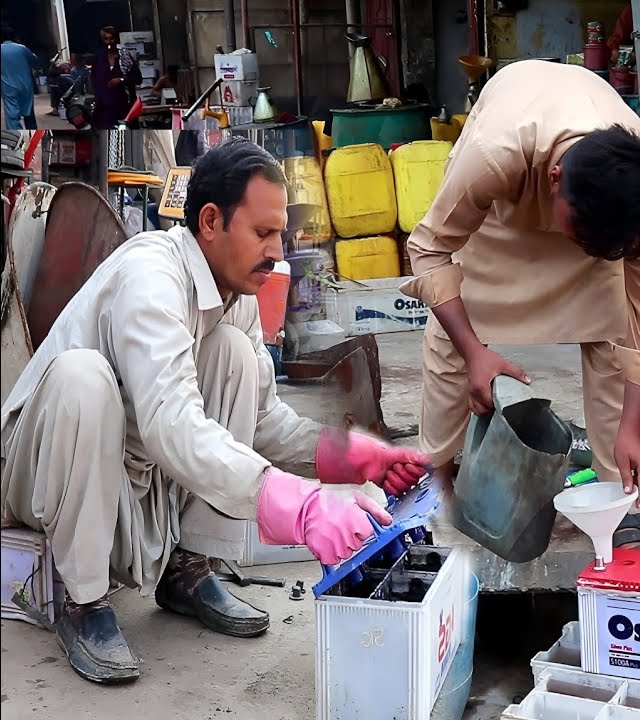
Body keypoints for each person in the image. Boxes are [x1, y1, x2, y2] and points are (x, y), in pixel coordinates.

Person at [0, 138, 431, 685]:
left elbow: (265, 421)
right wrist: (296, 507)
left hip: (129, 475)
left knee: (234, 356)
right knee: (83, 377)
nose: (277, 250)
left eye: (279, 233)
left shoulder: (239, 296)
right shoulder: (152, 277)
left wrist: (348, 455)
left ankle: (187, 567)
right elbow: (170, 423)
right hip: (40, 470)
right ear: (209, 221)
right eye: (262, 232)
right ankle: (83, 602)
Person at [400, 59, 640, 550]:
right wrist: (474, 352)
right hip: (497, 224)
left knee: (613, 326)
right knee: (448, 339)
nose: (592, 250)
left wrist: (633, 428)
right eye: (584, 236)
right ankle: (436, 485)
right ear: (554, 179)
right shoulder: (491, 154)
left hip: (593, 206)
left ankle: (615, 500)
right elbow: (428, 249)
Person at [90, 25, 141, 129]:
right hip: (104, 110)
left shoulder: (124, 56)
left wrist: (121, 80)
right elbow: (94, 81)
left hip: (125, 107)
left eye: (111, 38)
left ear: (116, 39)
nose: (109, 42)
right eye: (106, 39)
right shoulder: (98, 58)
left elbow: (138, 78)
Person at [1, 26, 39, 130]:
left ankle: (17, 136)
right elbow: (35, 60)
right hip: (25, 85)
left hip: (8, 86)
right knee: (29, 111)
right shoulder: (21, 48)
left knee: (12, 113)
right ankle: (32, 133)